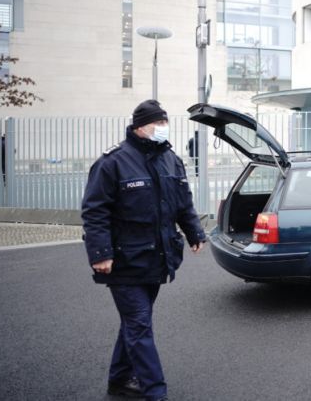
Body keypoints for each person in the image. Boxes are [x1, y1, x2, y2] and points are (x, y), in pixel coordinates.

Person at [81, 100, 206, 401]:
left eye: (164, 123)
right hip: (124, 261)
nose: (163, 129)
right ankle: (155, 392)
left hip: (157, 258)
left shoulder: (170, 160)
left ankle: (119, 380)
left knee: (136, 322)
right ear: (140, 126)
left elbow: (182, 203)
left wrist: (194, 232)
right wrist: (101, 254)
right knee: (139, 324)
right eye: (157, 124)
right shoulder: (112, 162)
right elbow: (94, 212)